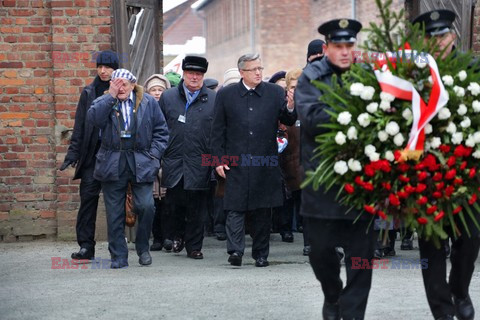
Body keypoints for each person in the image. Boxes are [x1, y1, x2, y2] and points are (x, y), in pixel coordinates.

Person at [295, 19, 376, 320]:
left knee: (361, 261)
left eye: (349, 46)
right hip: (322, 184)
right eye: (338, 46)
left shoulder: (367, 76)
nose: (344, 52)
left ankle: (352, 315)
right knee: (320, 253)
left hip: (361, 184)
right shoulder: (311, 77)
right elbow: (313, 120)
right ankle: (332, 295)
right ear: (326, 48)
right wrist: (356, 108)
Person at [412, 9, 480, 320]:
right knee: (432, 248)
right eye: (430, 37)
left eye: (441, 35)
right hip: (426, 175)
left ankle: (460, 289)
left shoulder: (473, 69)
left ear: (452, 34)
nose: (437, 42)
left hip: (466, 173)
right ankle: (442, 310)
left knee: (468, 240)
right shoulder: (412, 75)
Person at [211, 53, 297, 267]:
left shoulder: (275, 92)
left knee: (262, 210)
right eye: (253, 69)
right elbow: (217, 130)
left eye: (260, 68)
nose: (259, 73)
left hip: (264, 160)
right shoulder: (226, 94)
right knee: (234, 208)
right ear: (241, 72)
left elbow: (288, 120)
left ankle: (260, 254)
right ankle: (235, 251)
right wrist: (218, 160)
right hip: (235, 160)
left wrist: (291, 107)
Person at [87, 68, 169, 268]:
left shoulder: (148, 102)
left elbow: (161, 131)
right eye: (116, 84)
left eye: (124, 84)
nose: (120, 87)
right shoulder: (104, 101)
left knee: (146, 206)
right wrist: (111, 96)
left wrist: (154, 155)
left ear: (133, 85)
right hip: (111, 162)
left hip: (141, 160)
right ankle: (118, 256)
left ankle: (143, 247)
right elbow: (93, 120)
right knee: (115, 212)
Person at [60, 50, 119, 260]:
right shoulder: (88, 92)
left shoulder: (123, 90)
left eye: (108, 67)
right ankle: (86, 246)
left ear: (116, 68)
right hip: (92, 156)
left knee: (116, 202)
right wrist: (73, 154)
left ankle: (117, 248)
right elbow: (80, 127)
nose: (103, 71)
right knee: (88, 200)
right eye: (100, 66)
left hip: (115, 155)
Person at [159, 55, 216, 260]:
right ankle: (177, 235)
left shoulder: (213, 99)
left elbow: (218, 132)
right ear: (183, 74)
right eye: (191, 73)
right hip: (174, 159)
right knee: (174, 204)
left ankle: (194, 246)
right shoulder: (168, 97)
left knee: (197, 207)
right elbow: (160, 127)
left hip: (200, 161)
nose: (194, 77)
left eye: (199, 74)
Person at [143, 74, 173, 252]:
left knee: (169, 203)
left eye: (160, 90)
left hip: (169, 160)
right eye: (153, 90)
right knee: (152, 203)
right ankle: (157, 238)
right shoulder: (144, 109)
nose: (156, 93)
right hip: (150, 160)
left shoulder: (171, 108)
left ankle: (169, 236)